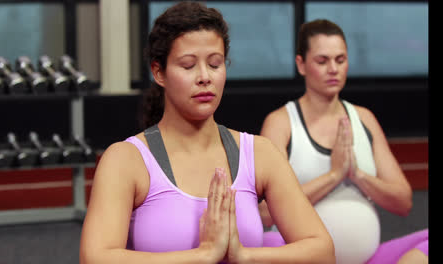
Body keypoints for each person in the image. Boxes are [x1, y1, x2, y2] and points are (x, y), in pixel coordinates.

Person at [79, 2, 335, 264]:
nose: (204, 77)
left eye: (215, 64)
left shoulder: (259, 153)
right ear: (159, 72)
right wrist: (203, 255)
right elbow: (95, 258)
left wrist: (244, 255)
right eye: (188, 66)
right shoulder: (126, 160)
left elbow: (323, 252)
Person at [258, 19, 428, 263]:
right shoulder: (281, 122)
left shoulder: (364, 118)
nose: (333, 69)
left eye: (340, 60)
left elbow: (403, 201)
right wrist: (334, 176)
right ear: (301, 64)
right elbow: (264, 213)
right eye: (322, 61)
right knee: (268, 244)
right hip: (301, 258)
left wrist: (357, 175)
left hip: (368, 258)